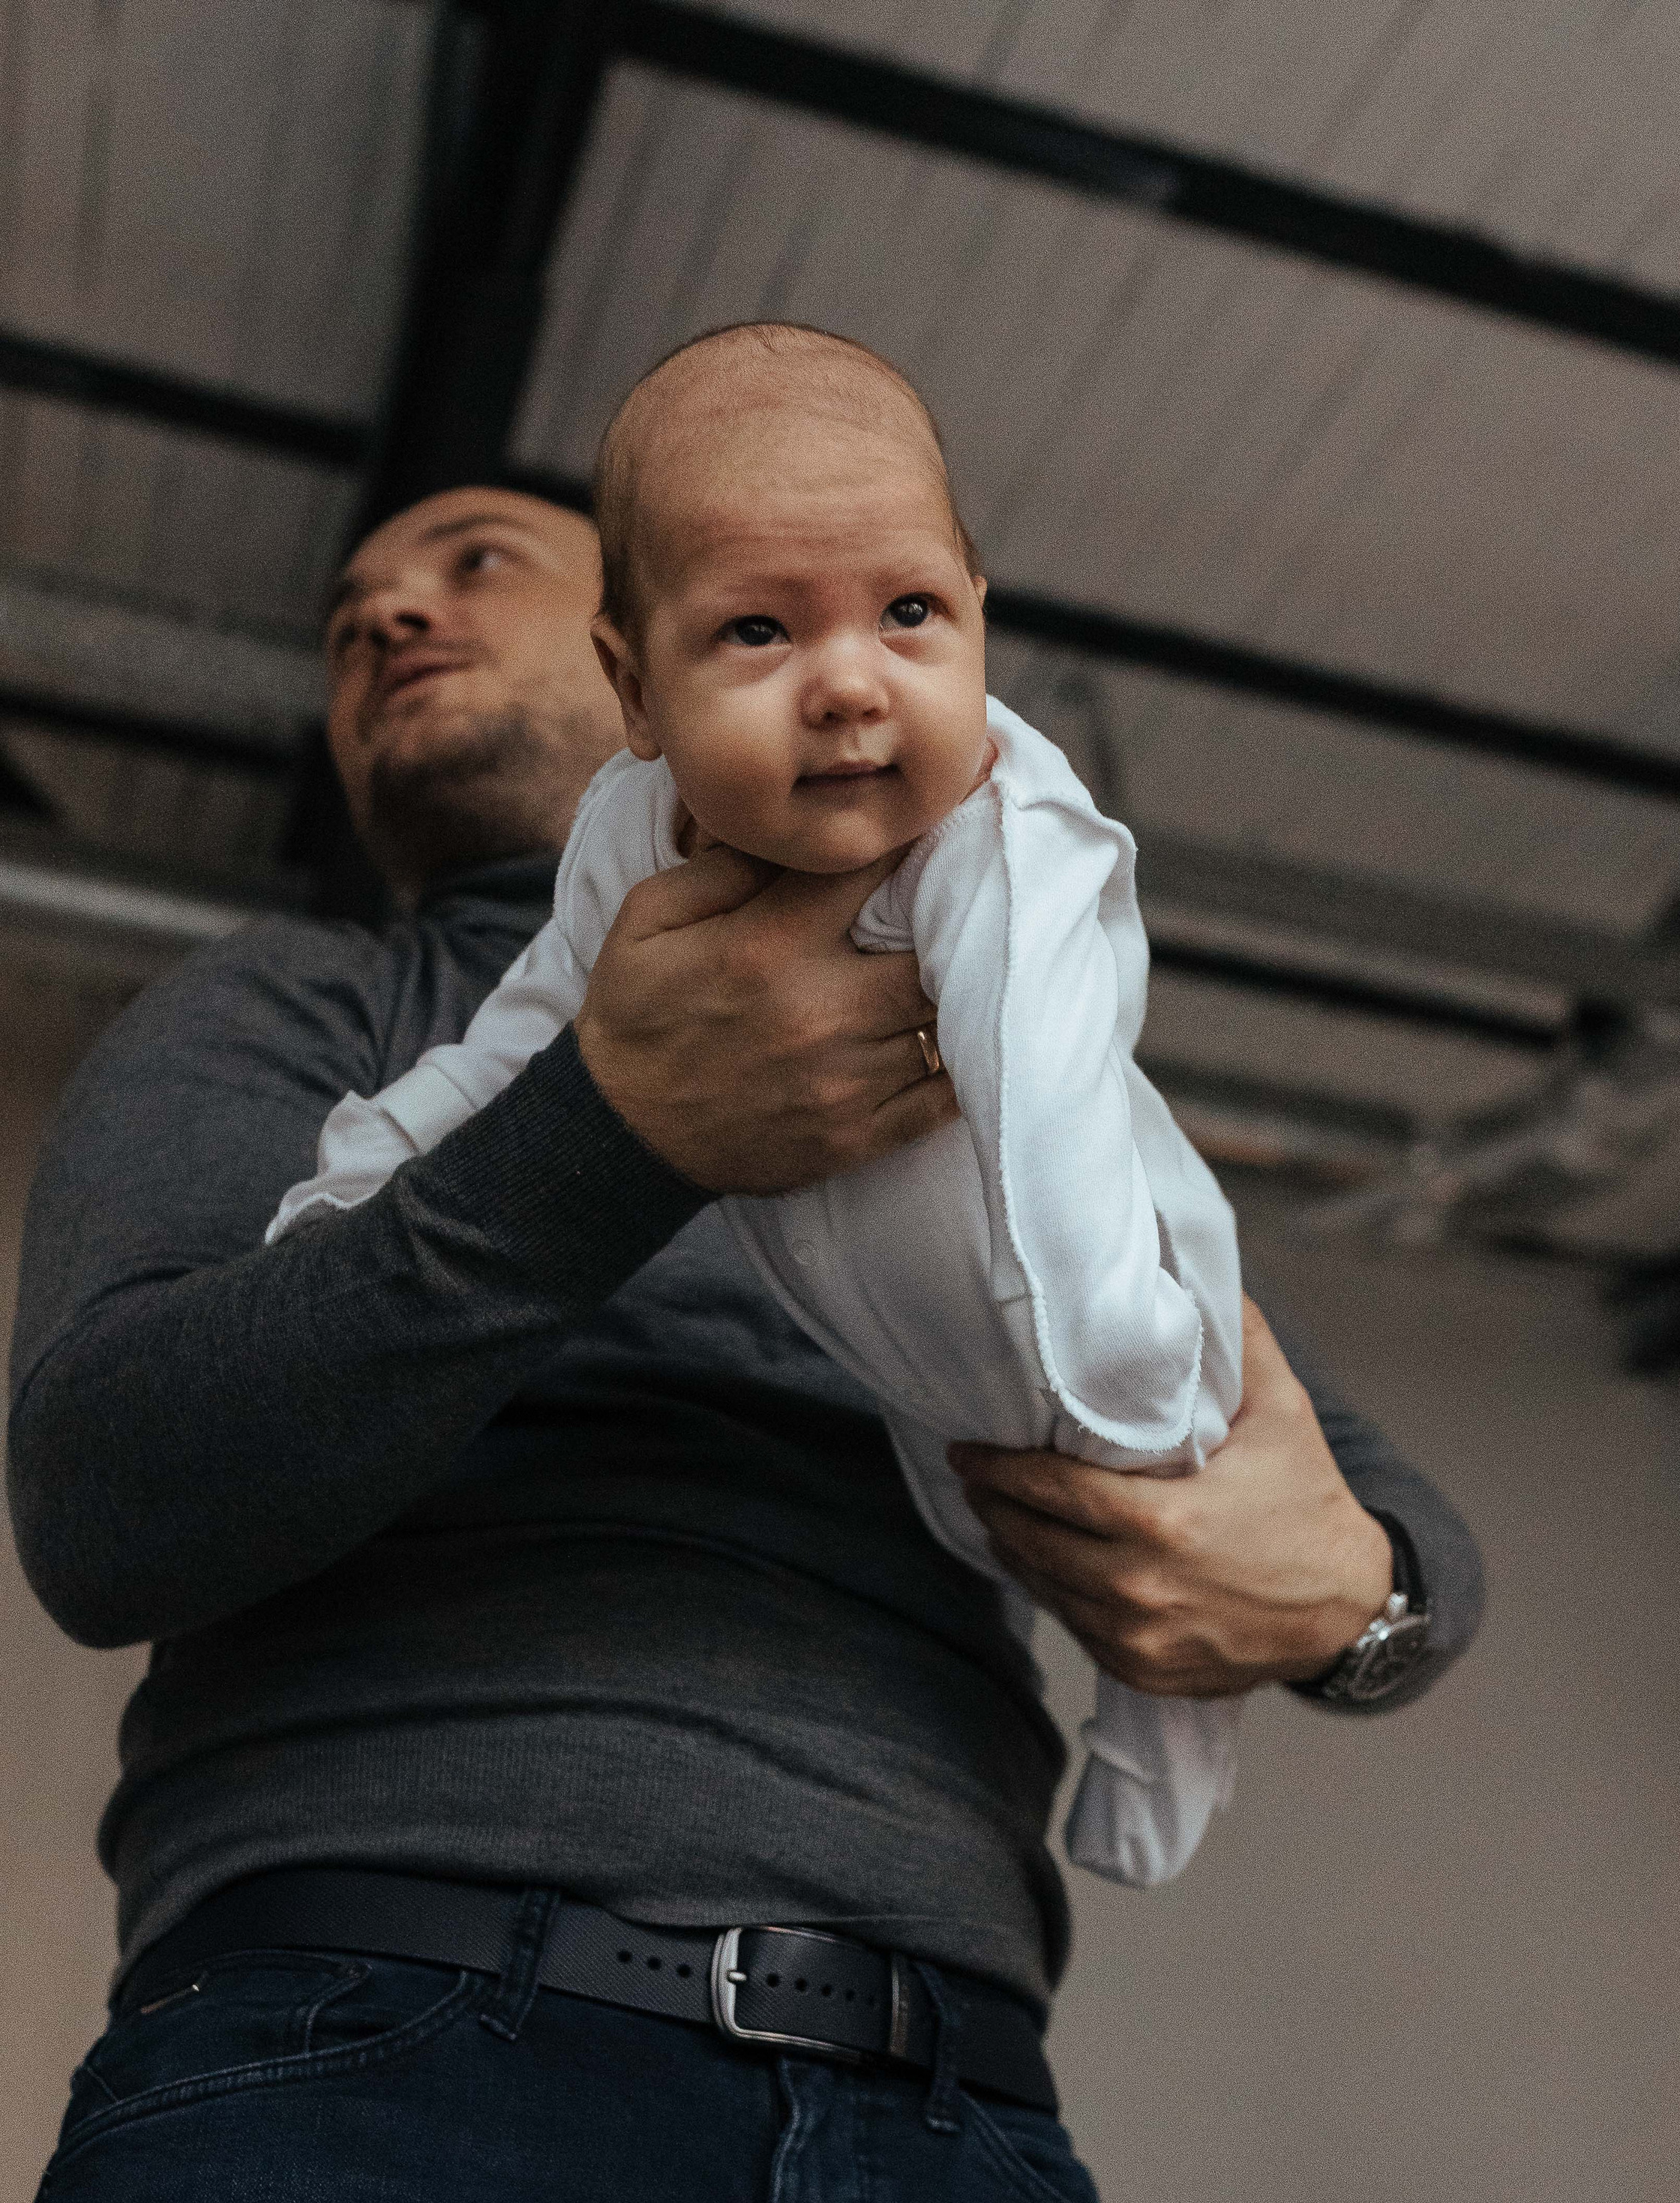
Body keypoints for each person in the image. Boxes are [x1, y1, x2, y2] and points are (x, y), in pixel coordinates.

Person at [1, 474, 1483, 2203]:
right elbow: (99, 1497)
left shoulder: (978, 1013)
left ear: (666, 643)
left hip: (965, 2165)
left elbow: (1377, 1523)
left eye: (469, 558)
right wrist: (602, 1134)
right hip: (351, 2121)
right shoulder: (289, 1014)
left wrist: (1364, 1600)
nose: (381, 605)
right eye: (352, 601)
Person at [272, 323, 1246, 1889]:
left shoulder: (1010, 834)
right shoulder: (627, 834)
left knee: (1144, 1555)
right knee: (964, 1509)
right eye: (754, 635)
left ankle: (1160, 1741)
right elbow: (532, 1028)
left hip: (1096, 1301)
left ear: (980, 623)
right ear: (633, 685)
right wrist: (373, 1162)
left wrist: (1120, 1366)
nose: (850, 685)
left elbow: (1049, 1094)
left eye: (909, 613)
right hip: (899, 1356)